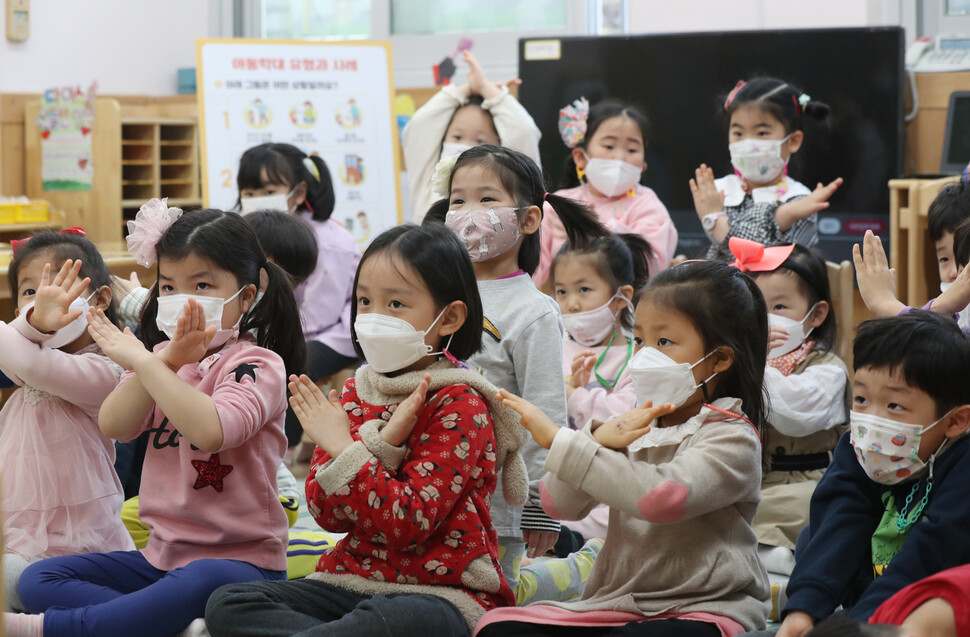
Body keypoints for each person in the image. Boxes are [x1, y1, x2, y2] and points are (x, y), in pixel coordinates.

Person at [204, 223, 529, 637]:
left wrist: (345, 446)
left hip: (441, 594)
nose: (373, 318)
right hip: (351, 580)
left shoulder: (461, 402)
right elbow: (324, 513)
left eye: (395, 304)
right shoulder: (359, 389)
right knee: (230, 602)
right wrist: (380, 442)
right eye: (364, 301)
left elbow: (409, 522)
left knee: (393, 622)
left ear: (449, 318)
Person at [7, 202, 307, 637]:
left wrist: (146, 363)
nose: (181, 299)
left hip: (241, 566)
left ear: (244, 297)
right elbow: (116, 424)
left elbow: (213, 429)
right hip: (160, 558)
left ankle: (47, 629)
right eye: (167, 286)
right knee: (39, 579)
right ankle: (170, 626)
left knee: (200, 580)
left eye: (201, 284)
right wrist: (160, 360)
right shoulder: (159, 360)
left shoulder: (257, 363)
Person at [478, 259, 771, 636]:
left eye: (664, 342)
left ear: (719, 359)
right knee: (494, 628)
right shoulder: (634, 424)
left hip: (703, 606)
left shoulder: (732, 435)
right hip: (617, 604)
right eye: (640, 340)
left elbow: (660, 498)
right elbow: (558, 503)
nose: (644, 355)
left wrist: (561, 441)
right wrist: (594, 440)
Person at [424, 144, 610, 598]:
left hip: (496, 501)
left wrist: (538, 508)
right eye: (458, 200)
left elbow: (542, 412)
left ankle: (576, 572)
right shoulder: (435, 294)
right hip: (432, 482)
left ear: (528, 220)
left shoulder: (534, 311)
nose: (469, 213)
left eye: (487, 200)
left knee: (491, 597)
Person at [773, 311, 970, 637]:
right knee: (816, 535)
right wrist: (804, 609)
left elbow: (930, 554)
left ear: (955, 421)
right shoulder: (858, 444)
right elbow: (842, 517)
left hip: (926, 600)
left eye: (894, 406)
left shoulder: (963, 463)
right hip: (870, 593)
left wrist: (857, 627)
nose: (871, 420)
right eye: (861, 399)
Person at [1, 231, 134, 612]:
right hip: (19, 533)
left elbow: (29, 362)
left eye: (62, 284)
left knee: (18, 583)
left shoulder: (104, 372)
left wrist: (33, 327)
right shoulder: (25, 357)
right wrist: (35, 327)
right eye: (30, 292)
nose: (47, 298)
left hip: (81, 542)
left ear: (101, 299)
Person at [236, 142, 361, 450]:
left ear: (300, 192)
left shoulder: (329, 242)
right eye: (248, 193)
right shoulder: (245, 228)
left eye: (268, 191)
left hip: (333, 332)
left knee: (289, 364)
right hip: (278, 326)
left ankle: (283, 450)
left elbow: (316, 316)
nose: (256, 201)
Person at [690, 77, 843, 262]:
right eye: (738, 133)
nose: (748, 143)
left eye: (762, 133)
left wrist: (717, 221)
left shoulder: (801, 200)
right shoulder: (720, 192)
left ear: (793, 141)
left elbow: (761, 263)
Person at [534, 98, 676, 283]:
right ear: (580, 157)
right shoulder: (557, 207)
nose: (620, 157)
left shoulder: (647, 205)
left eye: (632, 149)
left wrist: (598, 233)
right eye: (609, 146)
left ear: (643, 165)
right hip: (562, 307)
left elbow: (652, 268)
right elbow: (535, 273)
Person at [403, 50, 541, 222]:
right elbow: (419, 126)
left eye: (479, 141)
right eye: (457, 137)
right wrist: (466, 89)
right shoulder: (428, 185)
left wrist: (487, 89)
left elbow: (524, 131)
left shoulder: (509, 184)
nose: (464, 147)